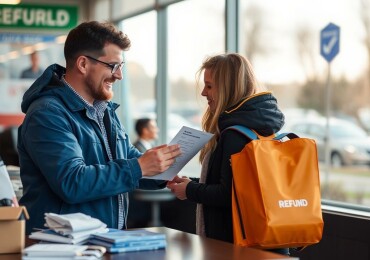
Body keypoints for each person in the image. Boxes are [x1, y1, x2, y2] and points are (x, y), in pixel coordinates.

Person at [18, 21, 181, 235]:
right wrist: (139, 166)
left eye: (120, 66)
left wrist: (164, 173)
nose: (119, 75)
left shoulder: (104, 111)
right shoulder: (47, 113)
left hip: (102, 241)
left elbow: (127, 159)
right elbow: (72, 181)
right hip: (62, 247)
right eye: (113, 66)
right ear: (83, 64)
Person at [167, 53, 288, 255]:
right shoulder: (260, 128)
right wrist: (191, 182)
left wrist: (189, 190)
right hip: (265, 243)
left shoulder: (235, 134)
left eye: (209, 86)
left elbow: (228, 194)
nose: (204, 93)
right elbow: (236, 184)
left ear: (227, 88)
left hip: (237, 246)